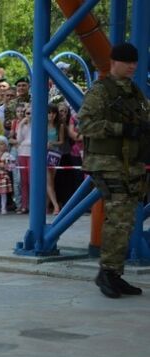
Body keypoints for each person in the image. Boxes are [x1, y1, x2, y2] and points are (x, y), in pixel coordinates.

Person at [77, 42, 148, 299]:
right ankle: (107, 273)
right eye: (127, 61)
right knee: (118, 218)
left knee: (126, 219)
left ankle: (114, 274)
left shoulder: (134, 93)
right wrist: (121, 129)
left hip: (130, 164)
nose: (132, 66)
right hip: (108, 163)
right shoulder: (101, 91)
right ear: (114, 62)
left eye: (134, 62)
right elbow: (85, 124)